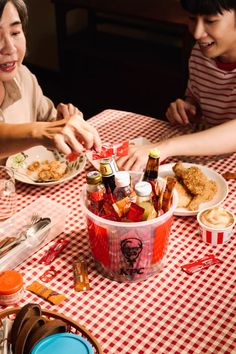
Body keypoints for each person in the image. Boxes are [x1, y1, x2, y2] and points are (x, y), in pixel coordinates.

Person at [118, 0, 236, 171]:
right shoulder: (200, 52)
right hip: (213, 159)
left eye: (210, 21)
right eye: (192, 19)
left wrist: (165, 147)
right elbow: (197, 96)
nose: (197, 33)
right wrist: (189, 106)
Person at [0, 0, 101, 164]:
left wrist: (64, 122)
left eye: (15, 32)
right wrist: (41, 131)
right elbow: (42, 131)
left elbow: (49, 124)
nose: (10, 48)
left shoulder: (23, 77)